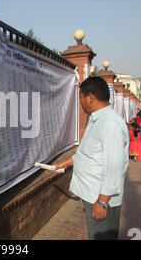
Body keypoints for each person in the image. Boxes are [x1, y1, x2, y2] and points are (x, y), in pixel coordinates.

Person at [53, 76, 129, 240]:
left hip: (101, 198)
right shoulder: (97, 119)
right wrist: (67, 162)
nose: (80, 102)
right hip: (92, 194)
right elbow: (88, 152)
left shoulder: (110, 124)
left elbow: (113, 166)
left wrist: (102, 202)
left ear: (90, 98)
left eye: (81, 97)